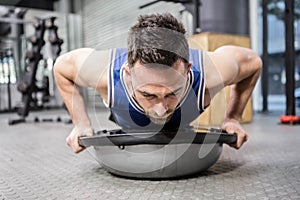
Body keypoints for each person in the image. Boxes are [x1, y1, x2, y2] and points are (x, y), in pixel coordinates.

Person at [54, 13, 262, 153]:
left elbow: (253, 63)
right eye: (149, 95)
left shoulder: (211, 73)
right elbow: (61, 67)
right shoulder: (102, 72)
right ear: (128, 73)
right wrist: (81, 123)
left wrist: (233, 119)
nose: (161, 110)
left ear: (188, 70)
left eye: (173, 93)